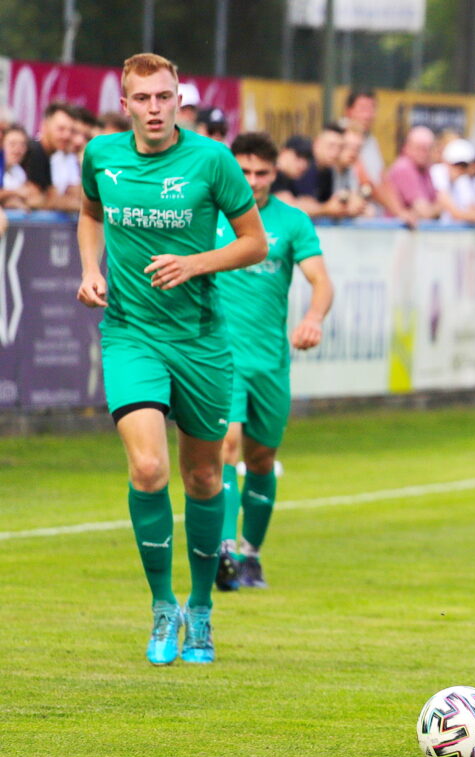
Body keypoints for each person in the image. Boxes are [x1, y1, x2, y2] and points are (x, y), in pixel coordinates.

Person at [75, 53, 268, 666]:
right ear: (125, 103)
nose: (155, 109)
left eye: (165, 97)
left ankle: (203, 607)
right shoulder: (101, 156)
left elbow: (254, 242)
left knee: (204, 478)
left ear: (179, 98)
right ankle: (163, 605)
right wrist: (89, 269)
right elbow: (88, 213)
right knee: (149, 467)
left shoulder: (212, 160)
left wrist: (195, 263)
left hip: (201, 341)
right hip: (130, 333)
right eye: (143, 98)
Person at [214, 132, 333, 592]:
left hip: (270, 362)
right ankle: (224, 552)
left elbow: (320, 280)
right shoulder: (209, 217)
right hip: (221, 357)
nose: (252, 181)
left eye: (261, 173)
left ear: (273, 174)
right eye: (243, 172)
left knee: (261, 460)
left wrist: (314, 317)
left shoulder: (292, 222)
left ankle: (251, 555)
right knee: (226, 445)